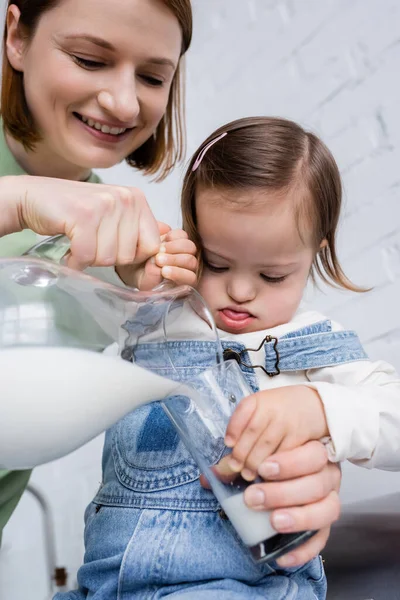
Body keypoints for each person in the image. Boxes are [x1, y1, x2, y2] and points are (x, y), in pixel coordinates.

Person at [0, 0, 341, 570]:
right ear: (15, 35)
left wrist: (305, 460)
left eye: (154, 76)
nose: (124, 101)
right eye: (89, 59)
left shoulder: (118, 251)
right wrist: (19, 198)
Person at [59, 115, 400, 600]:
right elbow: (68, 306)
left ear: (315, 255)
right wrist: (131, 273)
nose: (239, 292)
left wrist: (320, 407)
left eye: (274, 275)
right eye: (216, 263)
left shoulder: (311, 342)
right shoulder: (157, 314)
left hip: (242, 585)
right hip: (106, 583)